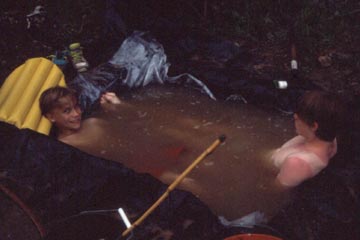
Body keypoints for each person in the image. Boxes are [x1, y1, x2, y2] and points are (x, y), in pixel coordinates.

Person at [271, 90, 344, 188]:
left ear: (314, 126)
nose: (295, 118)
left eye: (297, 118)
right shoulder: (330, 139)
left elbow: (276, 190)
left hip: (267, 169)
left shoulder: (297, 163)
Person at [39, 86, 121, 143]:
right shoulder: (63, 146)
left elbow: (120, 126)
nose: (76, 114)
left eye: (76, 106)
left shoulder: (92, 123)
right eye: (67, 111)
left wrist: (116, 106)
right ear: (51, 117)